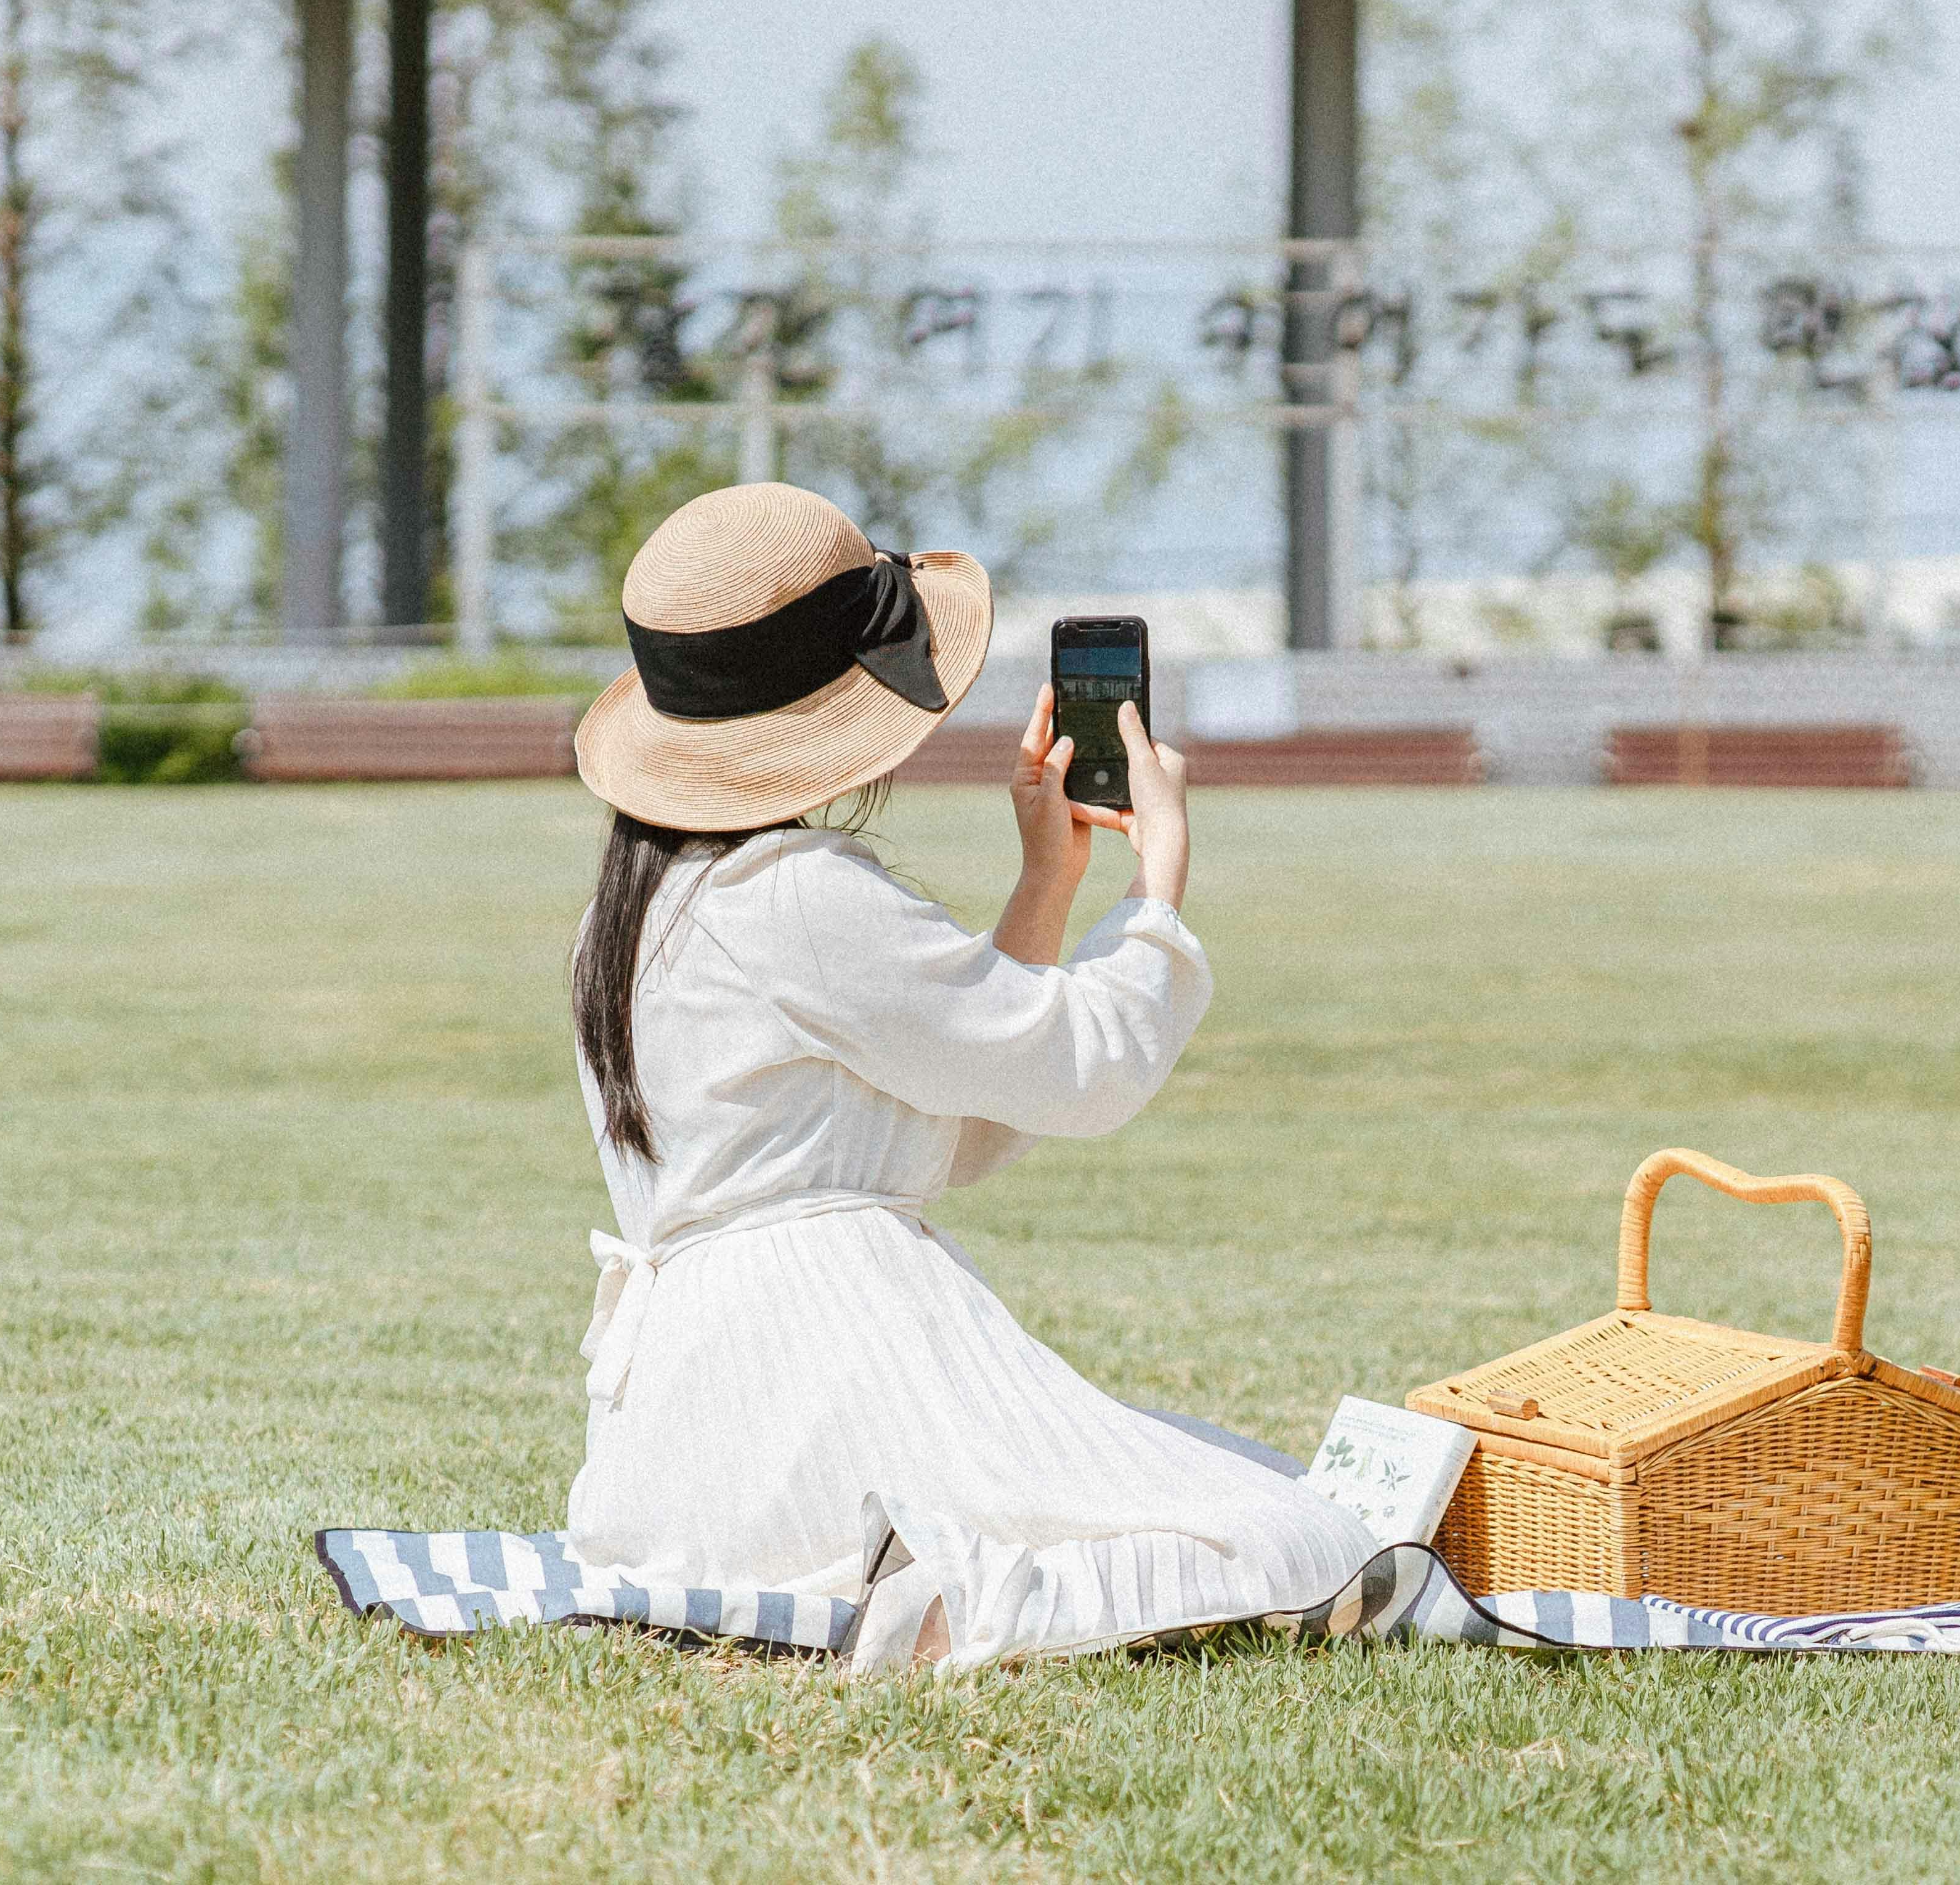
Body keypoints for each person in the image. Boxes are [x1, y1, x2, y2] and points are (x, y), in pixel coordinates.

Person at [554, 482, 1379, 1672]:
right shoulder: (799, 892)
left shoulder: (634, 907)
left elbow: (950, 1096)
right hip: (831, 1358)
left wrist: (1045, 882)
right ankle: (932, 1598)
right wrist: (1157, 884)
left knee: (1244, 1481)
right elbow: (1078, 1071)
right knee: (1305, 1541)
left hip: (692, 1425)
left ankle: (882, 1576)